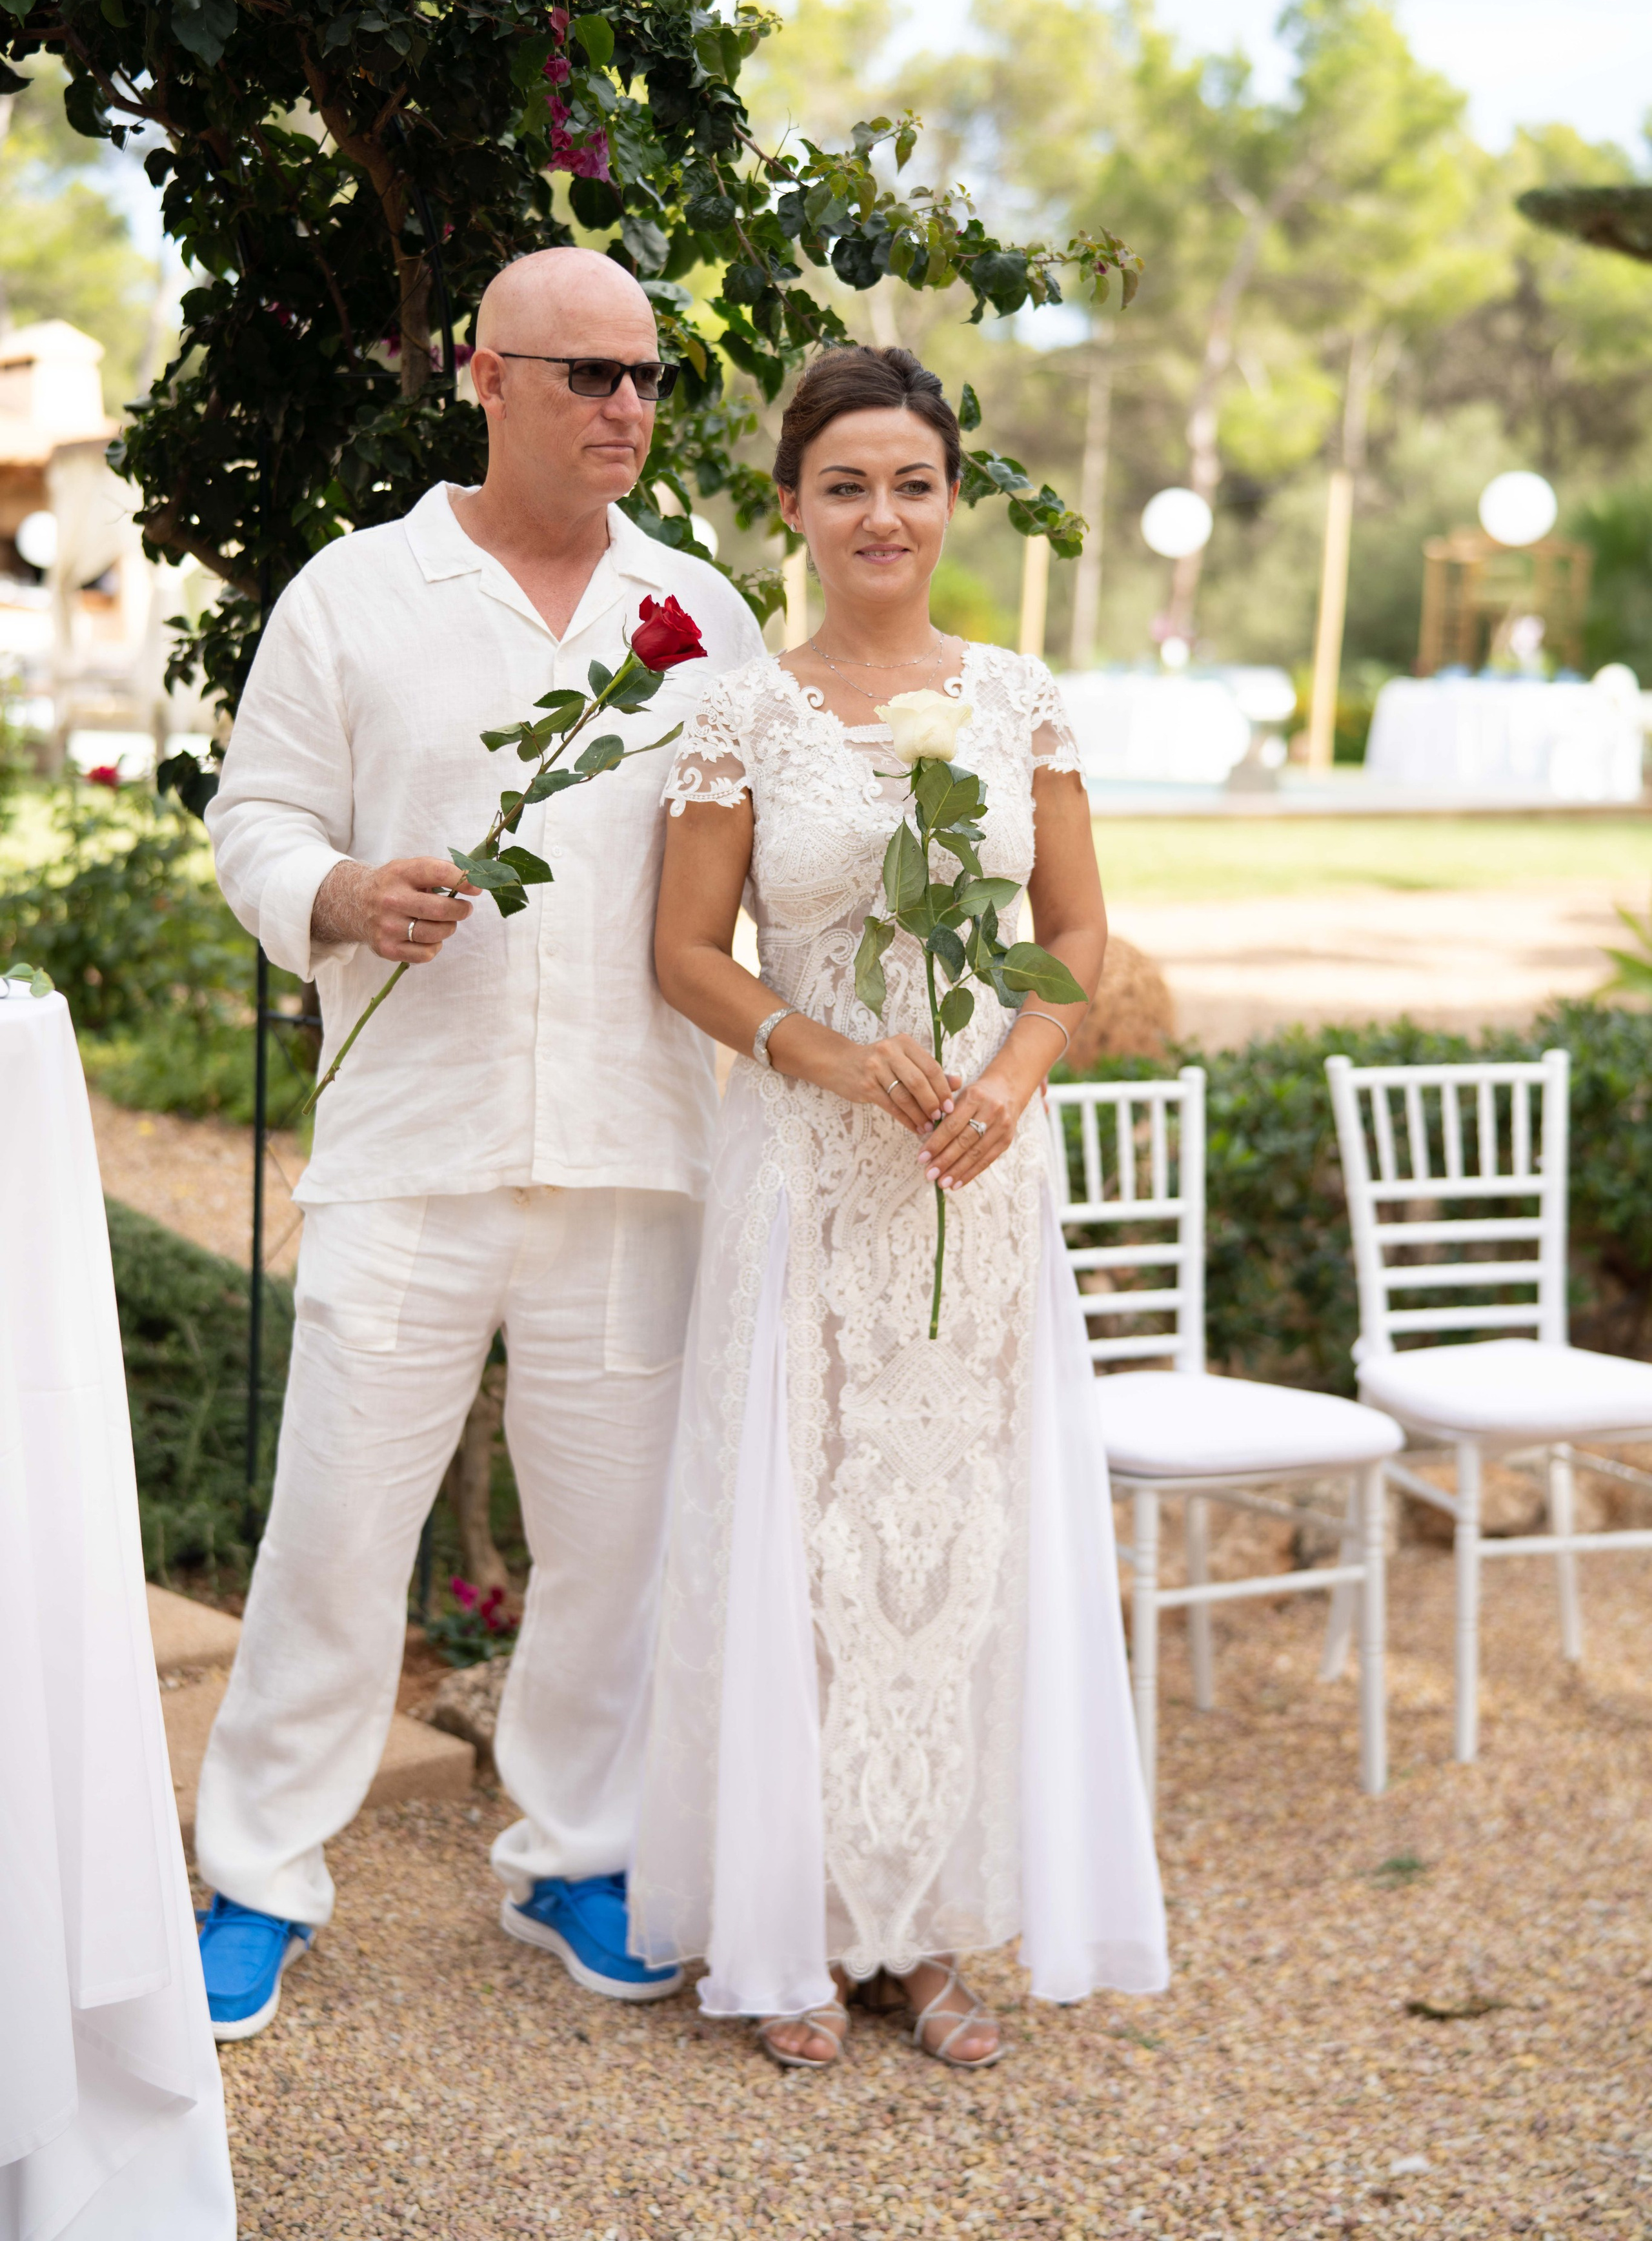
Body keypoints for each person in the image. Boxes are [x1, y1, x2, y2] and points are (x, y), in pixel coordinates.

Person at [193, 248, 764, 2039]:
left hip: (640, 1145)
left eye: (648, 379)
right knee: (337, 1533)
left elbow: (762, 865)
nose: (625, 408)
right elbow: (255, 816)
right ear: (484, 376)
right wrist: (342, 892)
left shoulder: (707, 614)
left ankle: (578, 1856)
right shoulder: (354, 597)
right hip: (413, 1145)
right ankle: (259, 1876)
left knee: (614, 1549)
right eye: (586, 373)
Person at [630, 345, 1168, 2068]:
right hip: (809, 1174)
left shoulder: (1018, 701)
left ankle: (927, 1934)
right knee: (805, 1535)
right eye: (846, 483)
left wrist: (1010, 1084)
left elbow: (1078, 933)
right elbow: (682, 953)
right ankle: (791, 1932)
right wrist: (828, 1057)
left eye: (914, 483)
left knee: (959, 1547)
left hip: (981, 1190)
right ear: (791, 505)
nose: (883, 513)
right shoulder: (738, 707)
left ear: (954, 501)